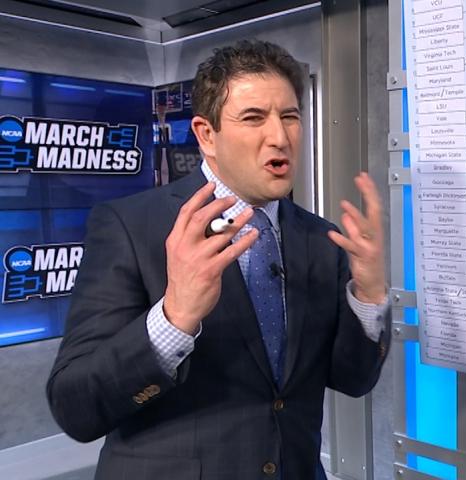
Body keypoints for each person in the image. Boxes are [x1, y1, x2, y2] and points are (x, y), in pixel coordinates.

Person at [46, 39, 390, 479]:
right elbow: (75, 408)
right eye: (253, 118)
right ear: (206, 135)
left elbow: (354, 380)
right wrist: (174, 318)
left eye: (289, 116)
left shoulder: (322, 238)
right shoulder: (130, 226)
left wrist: (368, 294)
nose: (279, 137)